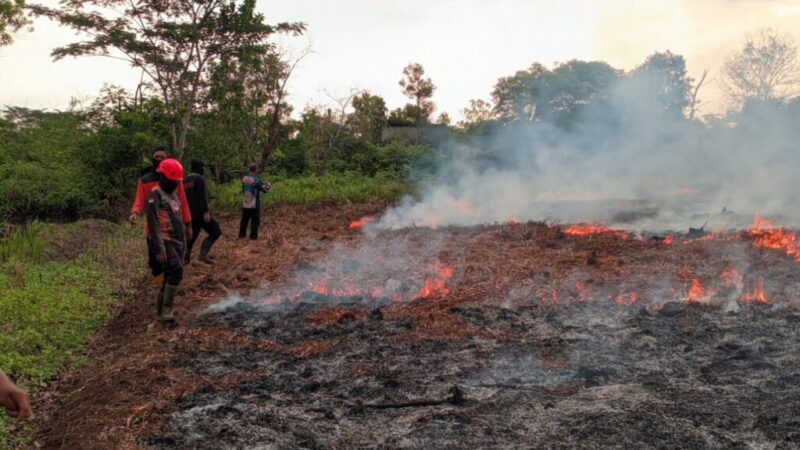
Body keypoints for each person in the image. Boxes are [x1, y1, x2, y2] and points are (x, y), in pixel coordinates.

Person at [145, 158, 187, 323]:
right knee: (176, 271)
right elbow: (153, 223)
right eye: (173, 181)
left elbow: (178, 216)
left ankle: (160, 312)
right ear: (162, 177)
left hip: (177, 241)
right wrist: (159, 248)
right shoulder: (154, 194)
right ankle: (167, 312)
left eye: (177, 181)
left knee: (170, 274)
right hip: (164, 240)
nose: (175, 184)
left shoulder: (174, 193)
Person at [129, 148, 192, 242]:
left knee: (176, 255)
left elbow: (183, 201)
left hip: (174, 226)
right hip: (154, 228)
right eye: (156, 157)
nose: (159, 159)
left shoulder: (175, 179)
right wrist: (135, 213)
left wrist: (188, 224)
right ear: (152, 159)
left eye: (162, 157)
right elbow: (139, 200)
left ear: (167, 159)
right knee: (156, 254)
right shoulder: (145, 180)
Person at [184, 159, 221, 264]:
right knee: (216, 231)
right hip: (200, 214)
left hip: (189, 215)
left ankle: (185, 258)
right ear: (199, 167)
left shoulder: (185, 180)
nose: (204, 169)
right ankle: (203, 255)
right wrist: (206, 212)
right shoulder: (199, 179)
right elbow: (202, 197)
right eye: (203, 167)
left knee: (192, 236)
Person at [239, 163, 271, 240]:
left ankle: (241, 236)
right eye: (257, 168)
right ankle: (253, 237)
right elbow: (264, 190)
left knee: (244, 220)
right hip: (254, 203)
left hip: (246, 201)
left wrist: (263, 184)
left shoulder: (244, 179)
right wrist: (269, 186)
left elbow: (245, 188)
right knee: (255, 221)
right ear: (255, 170)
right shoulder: (256, 180)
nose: (258, 170)